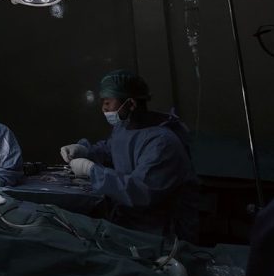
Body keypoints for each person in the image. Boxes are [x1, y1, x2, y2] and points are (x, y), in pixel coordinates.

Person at [60, 69, 199, 240]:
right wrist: (84, 151)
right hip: (130, 219)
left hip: (161, 233)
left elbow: (141, 191)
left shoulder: (162, 142)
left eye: (108, 103)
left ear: (131, 104)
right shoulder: (124, 128)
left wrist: (91, 170)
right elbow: (109, 150)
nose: (104, 109)